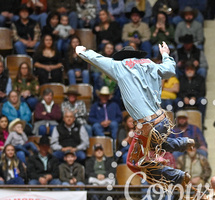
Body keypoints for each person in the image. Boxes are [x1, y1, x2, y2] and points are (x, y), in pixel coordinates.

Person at [77, 43, 195, 187]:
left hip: (147, 124)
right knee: (154, 144)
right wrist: (165, 54)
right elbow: (169, 70)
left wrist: (82, 52)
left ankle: (178, 176)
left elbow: (98, 59)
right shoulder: (150, 64)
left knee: (133, 162)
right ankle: (183, 143)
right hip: (162, 120)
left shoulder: (119, 65)